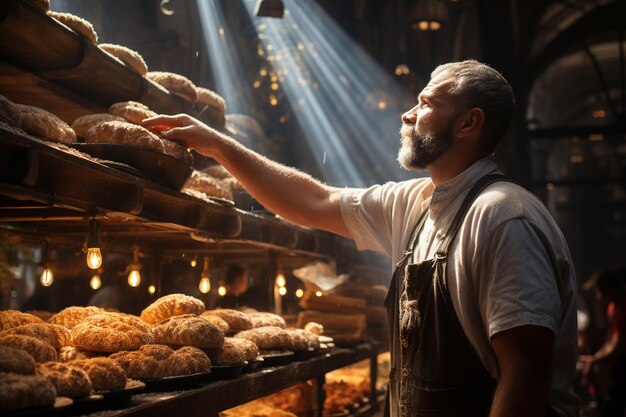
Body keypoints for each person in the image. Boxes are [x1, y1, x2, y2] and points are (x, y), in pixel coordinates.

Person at [143, 60, 580, 417]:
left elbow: (526, 374)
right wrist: (218, 145)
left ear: (468, 123)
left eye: (425, 103)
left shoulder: (503, 217)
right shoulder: (416, 203)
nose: (408, 114)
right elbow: (313, 201)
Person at [579, 268, 626, 417]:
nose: (599, 298)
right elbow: (611, 341)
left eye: (600, 292)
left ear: (611, 289)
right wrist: (595, 358)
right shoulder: (613, 308)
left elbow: (618, 346)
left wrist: (595, 359)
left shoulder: (623, 309)